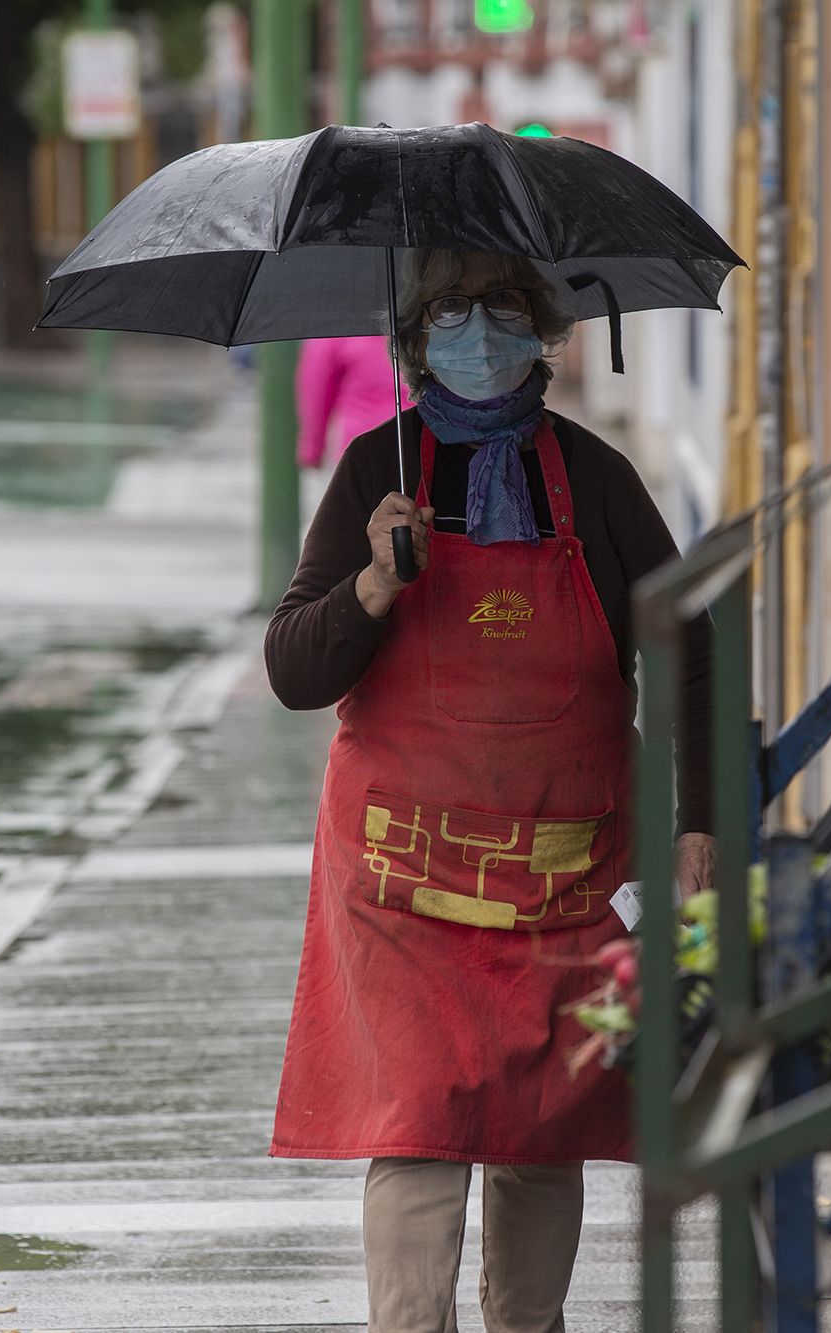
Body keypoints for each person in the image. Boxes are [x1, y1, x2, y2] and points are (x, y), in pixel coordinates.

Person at [264, 248, 712, 1332]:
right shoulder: (378, 470)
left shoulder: (596, 480)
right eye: (451, 309)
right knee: (415, 1127)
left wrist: (698, 820)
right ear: (415, 339)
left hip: (566, 875)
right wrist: (370, 585)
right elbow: (293, 668)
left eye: (501, 306)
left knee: (539, 1131)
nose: (477, 328)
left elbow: (690, 652)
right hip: (400, 885)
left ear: (543, 329)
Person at [295, 335, 404, 527]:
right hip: (413, 441)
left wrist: (312, 448)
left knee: (352, 527)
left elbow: (316, 387)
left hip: (358, 449)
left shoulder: (336, 325)